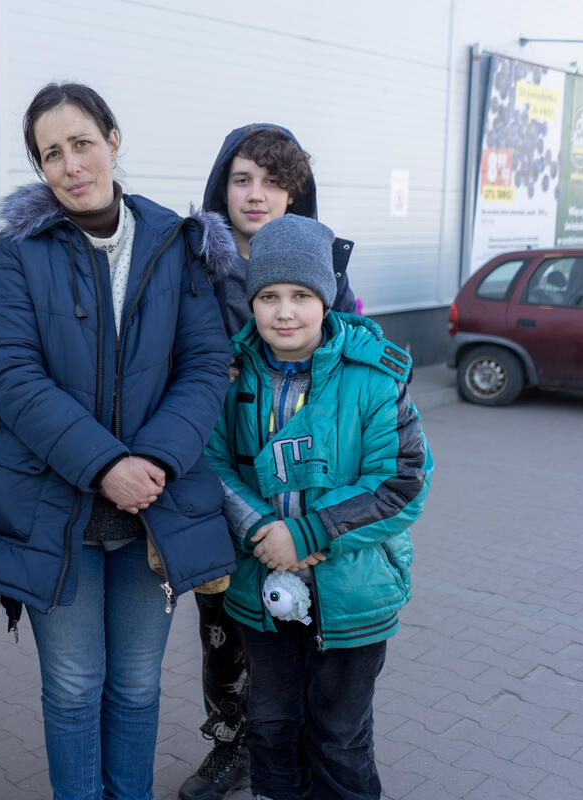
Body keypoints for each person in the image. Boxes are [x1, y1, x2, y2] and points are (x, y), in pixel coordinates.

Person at [0, 82, 235, 800]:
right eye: (50, 153)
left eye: (81, 143)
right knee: (72, 685)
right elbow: (12, 373)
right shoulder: (21, 250)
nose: (70, 165)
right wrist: (103, 465)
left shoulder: (175, 240)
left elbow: (205, 363)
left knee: (136, 684)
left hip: (156, 501)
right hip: (56, 507)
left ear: (113, 139)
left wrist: (148, 461)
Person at [205, 214, 432, 800]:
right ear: (251, 302)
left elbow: (403, 483)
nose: (285, 312)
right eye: (269, 296)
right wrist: (261, 529)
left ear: (326, 300)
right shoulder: (228, 377)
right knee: (272, 730)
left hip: (353, 596)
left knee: (339, 736)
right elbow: (212, 465)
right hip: (262, 590)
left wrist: (306, 535)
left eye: (302, 295)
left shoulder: (375, 378)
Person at [180, 124, 360, 800]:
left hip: (307, 499)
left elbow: (356, 372)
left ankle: (308, 747)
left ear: (297, 192)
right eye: (242, 178)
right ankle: (232, 743)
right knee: (222, 629)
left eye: (274, 181)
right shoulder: (193, 265)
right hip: (220, 483)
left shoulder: (329, 269)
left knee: (306, 631)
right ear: (221, 186)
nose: (257, 195)